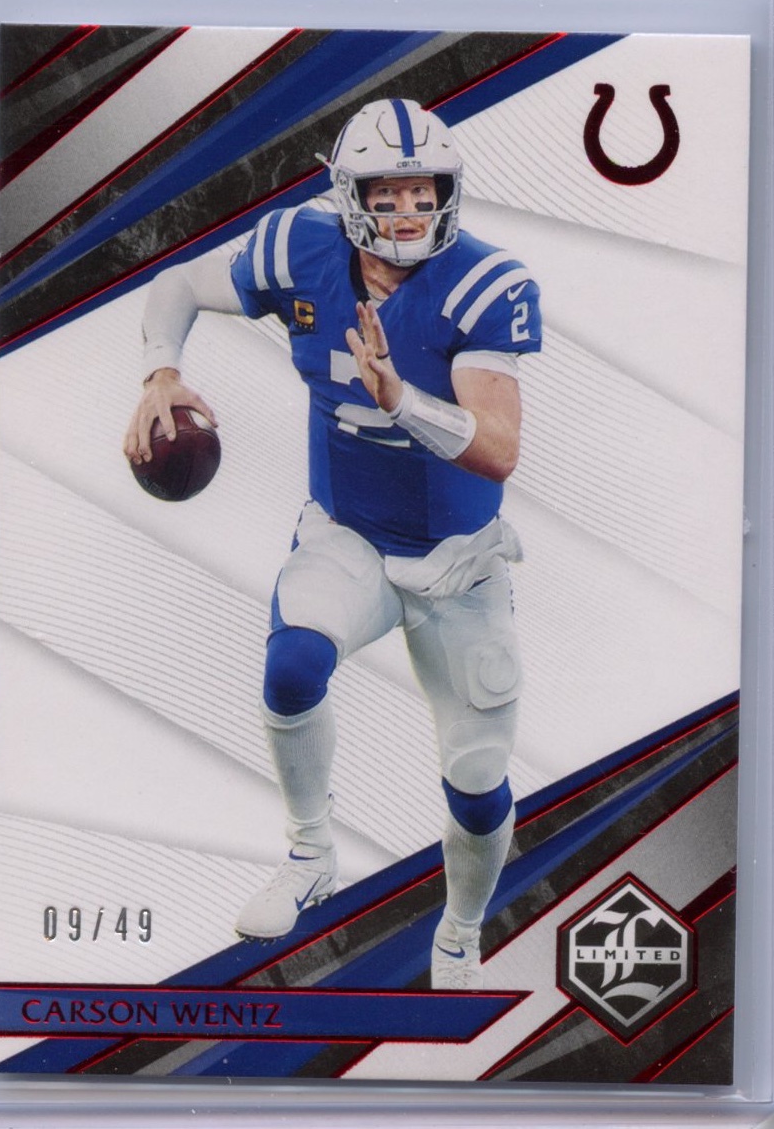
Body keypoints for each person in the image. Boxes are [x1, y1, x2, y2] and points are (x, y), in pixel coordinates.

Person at [124, 98, 541, 989]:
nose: (408, 212)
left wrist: (403, 402)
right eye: (387, 194)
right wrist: (160, 372)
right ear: (351, 195)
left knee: (476, 784)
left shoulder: (483, 282)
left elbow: (498, 449)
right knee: (291, 666)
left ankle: (460, 928)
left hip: (457, 562)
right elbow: (180, 285)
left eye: (423, 193)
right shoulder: (297, 247)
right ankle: (311, 855)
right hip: (348, 532)